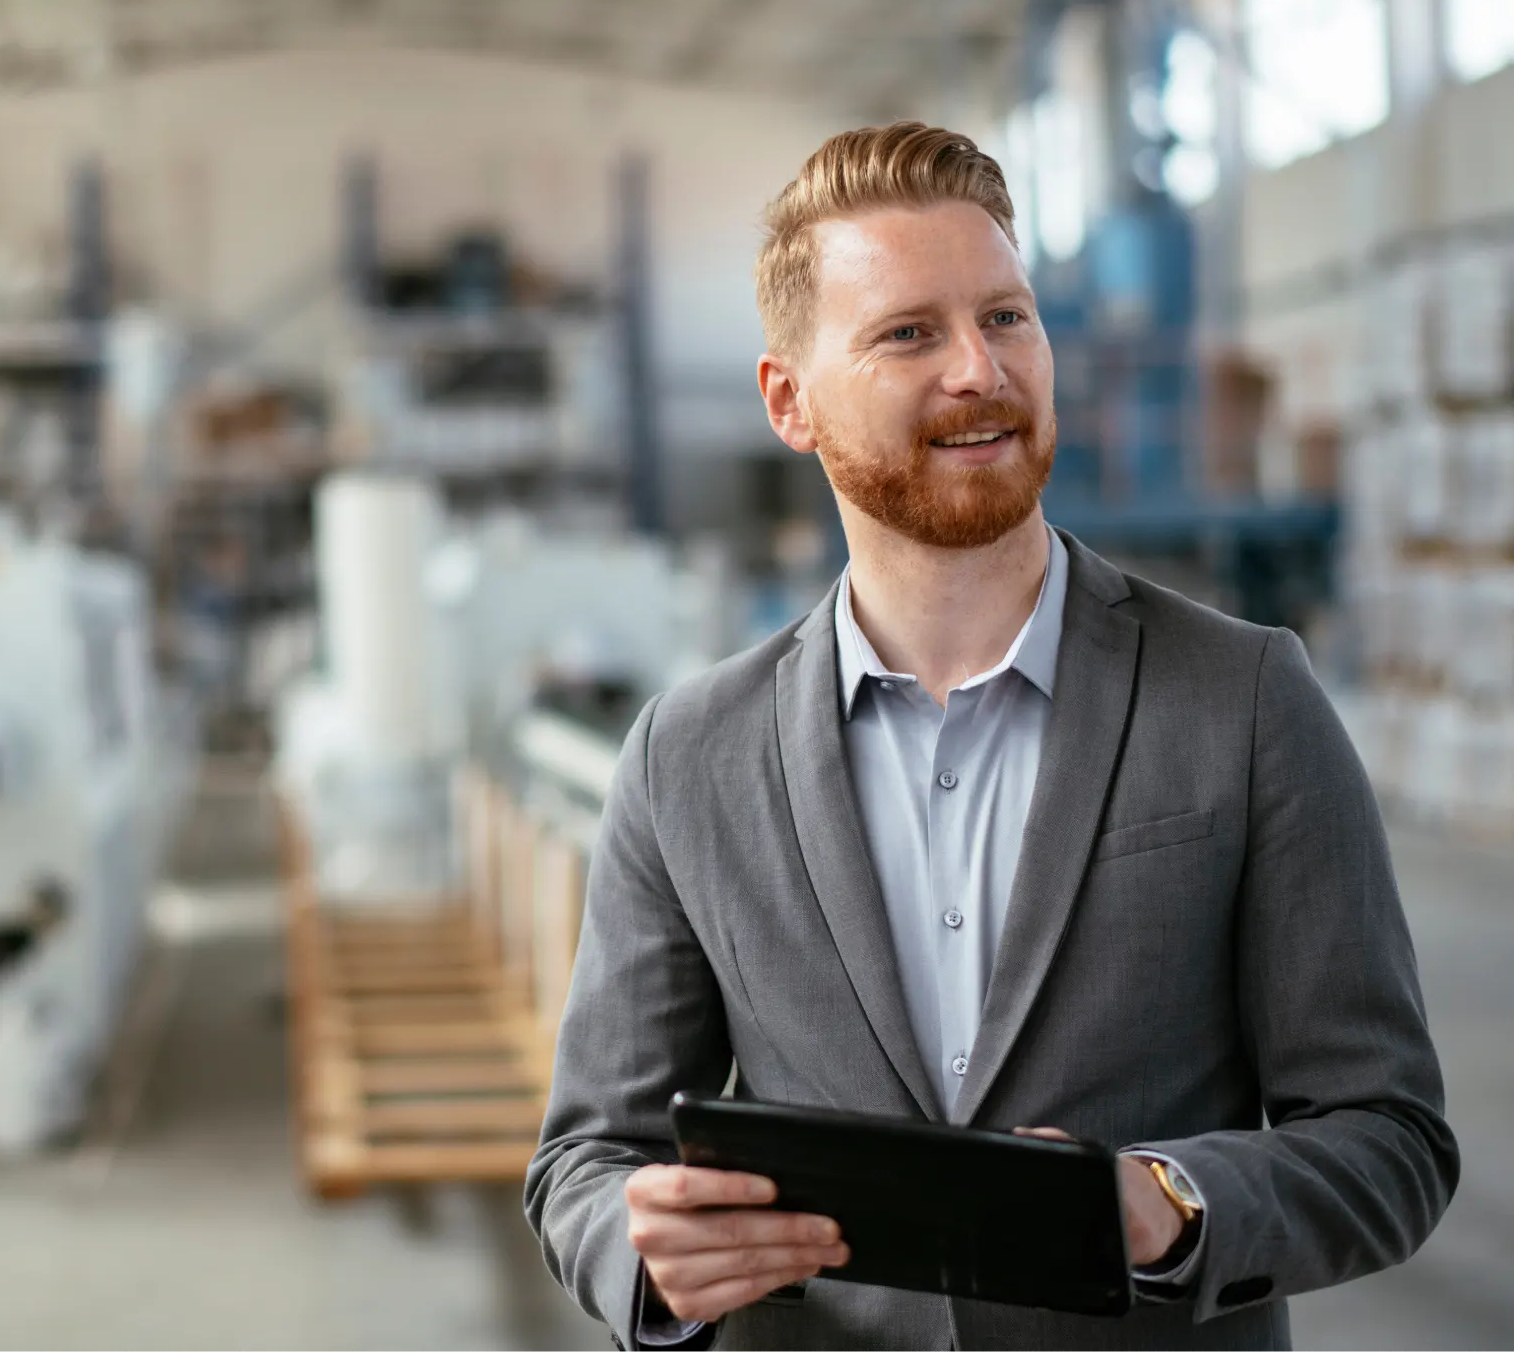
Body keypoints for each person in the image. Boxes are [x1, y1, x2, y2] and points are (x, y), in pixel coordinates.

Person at [523, 122, 1458, 1352]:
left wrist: (1167, 1205)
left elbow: (1387, 1136)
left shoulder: (1242, 699)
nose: (979, 369)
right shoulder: (684, 756)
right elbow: (586, 1156)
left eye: (1006, 318)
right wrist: (642, 1249)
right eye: (910, 332)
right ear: (787, 400)